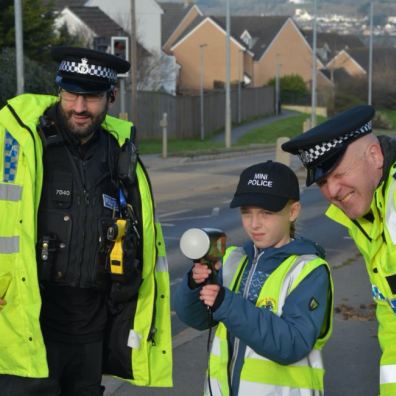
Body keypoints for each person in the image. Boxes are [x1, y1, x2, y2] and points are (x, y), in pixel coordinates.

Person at [0, 47, 172, 395]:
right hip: (25, 322)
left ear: (111, 96)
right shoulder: (19, 143)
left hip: (89, 330)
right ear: (58, 90)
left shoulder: (119, 152)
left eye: (91, 97)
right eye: (71, 94)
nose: (79, 107)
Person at [175, 160, 334, 396]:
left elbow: (293, 344)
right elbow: (197, 319)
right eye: (246, 212)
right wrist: (194, 284)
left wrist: (226, 304)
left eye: (266, 213)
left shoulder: (308, 269)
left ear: (293, 211)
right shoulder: (232, 258)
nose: (254, 224)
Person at [281, 104, 396, 396]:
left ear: (375, 156)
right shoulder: (368, 213)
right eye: (322, 182)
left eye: (339, 173)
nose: (332, 192)